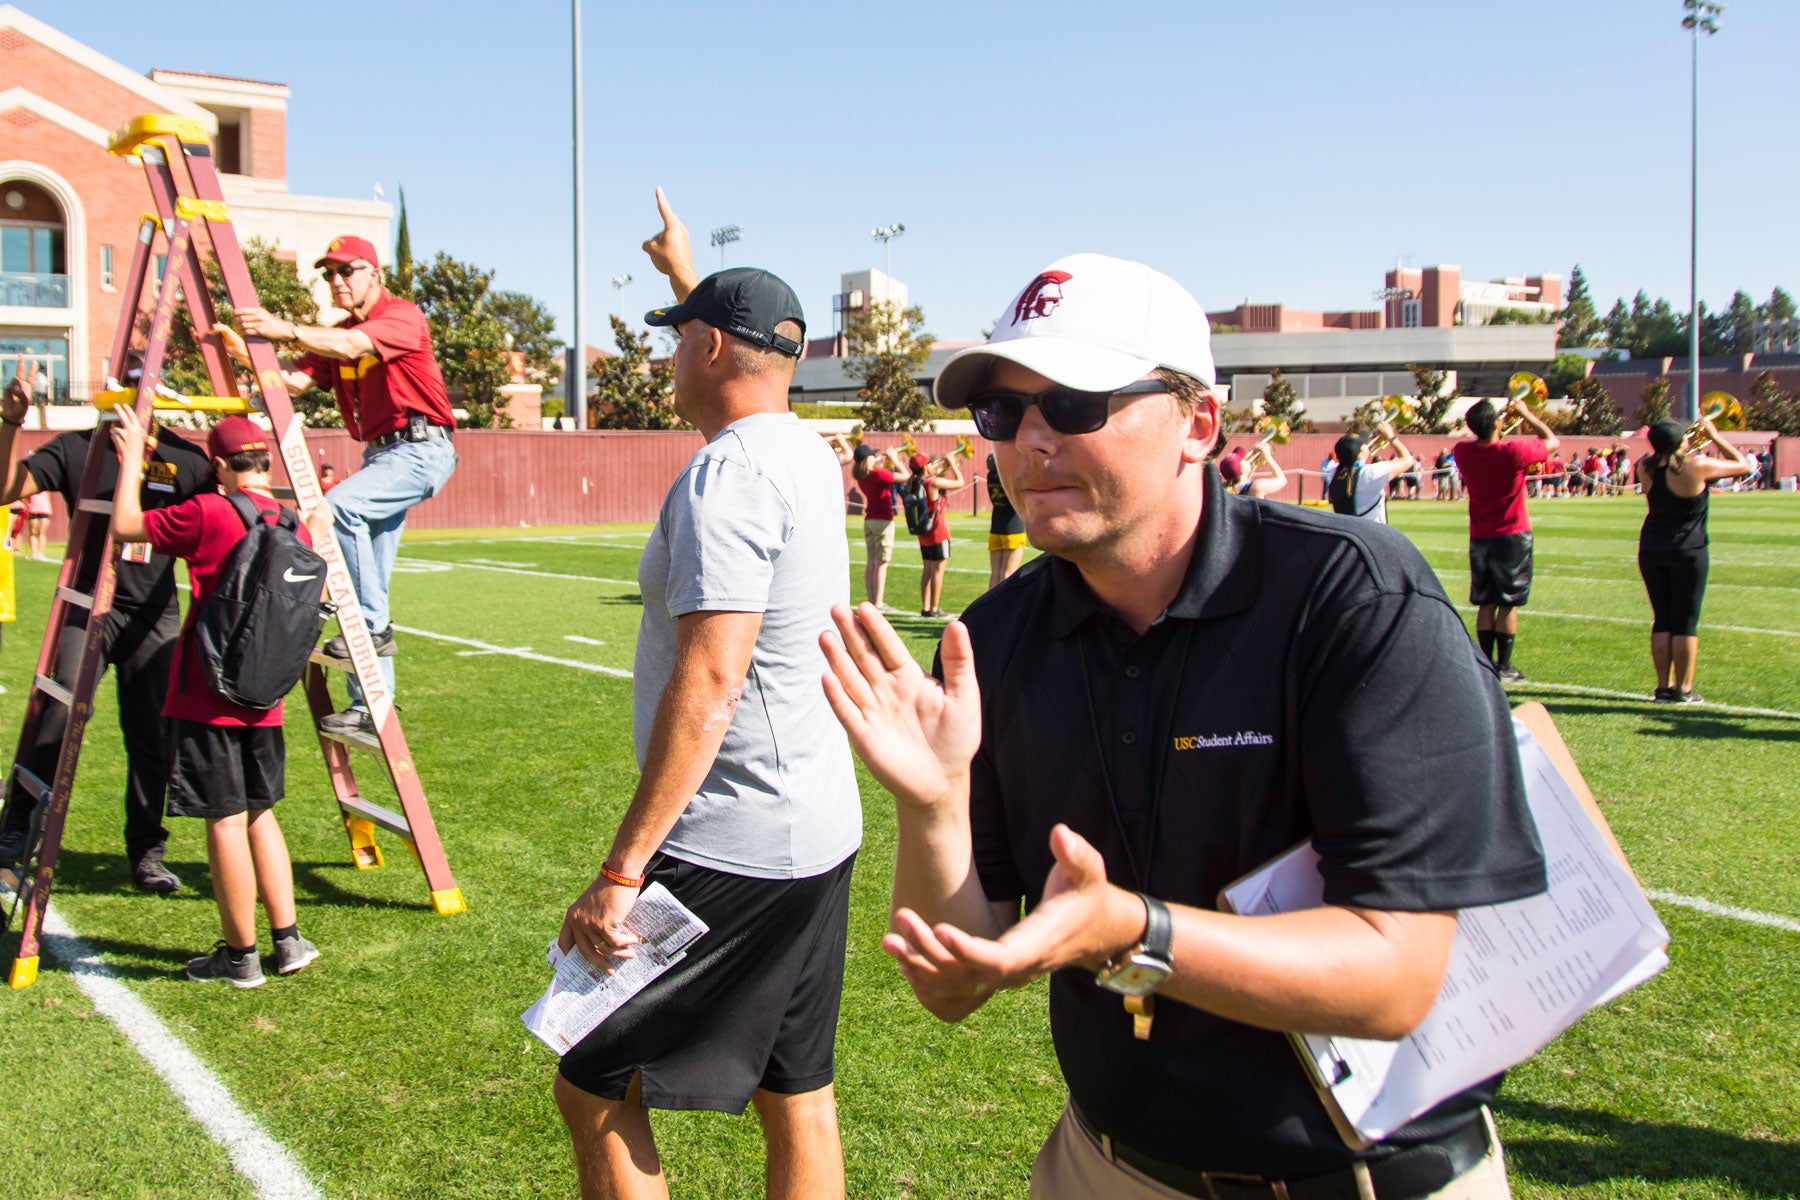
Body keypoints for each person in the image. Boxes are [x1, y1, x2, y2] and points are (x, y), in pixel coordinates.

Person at [820, 252, 1546, 1200]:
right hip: (1109, 1166)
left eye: (1076, 402)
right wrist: (933, 802)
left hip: (1366, 1179)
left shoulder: (1349, 596)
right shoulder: (994, 642)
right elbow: (951, 988)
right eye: (1003, 412)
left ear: (1198, 423)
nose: (1031, 440)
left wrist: (1134, 930)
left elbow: (1395, 974)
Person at [554, 189, 860, 1200]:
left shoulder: (724, 476)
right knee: (795, 1089)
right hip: (815, 827)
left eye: (678, 340)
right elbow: (745, 353)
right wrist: (686, 280)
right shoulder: (801, 451)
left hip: (729, 840)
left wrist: (623, 871)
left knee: (592, 1078)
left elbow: (713, 679)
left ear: (713, 354)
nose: (668, 357)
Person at [110, 408, 327, 986]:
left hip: (208, 691)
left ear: (218, 466)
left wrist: (133, 454)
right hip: (267, 692)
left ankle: (239, 956)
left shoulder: (206, 510)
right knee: (262, 815)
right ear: (264, 462)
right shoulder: (292, 521)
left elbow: (126, 525)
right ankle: (288, 941)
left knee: (224, 821)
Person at [216, 234, 457, 737]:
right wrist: (244, 354)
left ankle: (369, 630)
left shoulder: (401, 315)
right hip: (384, 454)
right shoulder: (338, 333)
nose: (337, 281)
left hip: (420, 449)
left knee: (336, 511)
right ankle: (372, 709)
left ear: (375, 274)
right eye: (330, 274)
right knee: (375, 580)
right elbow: (296, 382)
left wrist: (280, 328)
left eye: (347, 271)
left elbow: (352, 345)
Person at [0, 376, 215, 892]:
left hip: (154, 611)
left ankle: (146, 852)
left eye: (147, 391)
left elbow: (220, 516)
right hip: (88, 606)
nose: (138, 402)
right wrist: (10, 422)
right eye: (130, 389)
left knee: (152, 734)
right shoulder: (80, 446)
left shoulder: (183, 458)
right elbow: (6, 490)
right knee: (58, 711)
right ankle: (13, 835)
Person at [1635, 417, 1751, 704]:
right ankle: (1684, 689)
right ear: (1679, 441)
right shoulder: (1697, 466)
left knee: (1662, 618)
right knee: (1685, 621)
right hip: (1689, 549)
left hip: (1652, 547)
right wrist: (1715, 435)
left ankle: (1663, 687)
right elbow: (1743, 464)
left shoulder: (1644, 467)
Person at [1452, 397, 1559, 683]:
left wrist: (1497, 426)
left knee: (1486, 603)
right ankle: (1505, 666)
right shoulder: (1513, 451)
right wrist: (1526, 415)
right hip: (1513, 534)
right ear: (1497, 423)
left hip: (1480, 536)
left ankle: (1485, 664)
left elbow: (1478, 440)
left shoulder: (1462, 451)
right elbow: (1552, 441)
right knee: (1508, 603)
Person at [828, 435, 906, 611]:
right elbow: (905, 476)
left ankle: (872, 601)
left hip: (869, 519)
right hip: (884, 520)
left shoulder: (863, 476)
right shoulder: (879, 474)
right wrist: (894, 460)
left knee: (871, 561)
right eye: (872, 455)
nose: (874, 457)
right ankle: (878, 602)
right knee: (881, 563)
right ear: (867, 460)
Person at [906, 450, 966, 617]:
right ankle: (935, 608)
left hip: (924, 533)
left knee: (927, 570)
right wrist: (953, 464)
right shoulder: (933, 482)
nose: (934, 465)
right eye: (930, 463)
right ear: (925, 467)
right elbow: (960, 482)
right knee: (938, 571)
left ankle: (926, 607)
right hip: (938, 532)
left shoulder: (913, 482)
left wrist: (940, 468)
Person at [1327, 421, 1414, 523]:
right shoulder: (1369, 473)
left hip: (1348, 531)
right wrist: (1391, 437)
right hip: (1372, 533)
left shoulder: (1335, 473)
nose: (1367, 445)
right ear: (1359, 455)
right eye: (1364, 445)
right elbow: (1407, 460)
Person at [984, 451, 1028, 590]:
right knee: (1008, 574)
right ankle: (1002, 609)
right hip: (1014, 528)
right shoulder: (1009, 479)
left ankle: (991, 608)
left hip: (996, 526)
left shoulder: (990, 476)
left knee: (995, 574)